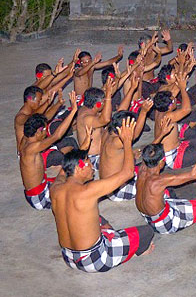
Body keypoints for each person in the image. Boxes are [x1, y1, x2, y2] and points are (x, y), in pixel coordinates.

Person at [51, 118, 155, 272]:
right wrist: (127, 141)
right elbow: (127, 173)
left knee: (98, 219)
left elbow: (64, 170)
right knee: (146, 232)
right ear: (79, 167)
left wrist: (83, 148)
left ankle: (112, 242)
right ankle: (129, 253)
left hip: (68, 257)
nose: (93, 167)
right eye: (89, 163)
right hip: (95, 260)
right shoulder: (89, 190)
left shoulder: (55, 188)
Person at [135, 133, 196, 234]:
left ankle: (181, 209)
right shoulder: (159, 181)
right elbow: (193, 175)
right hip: (165, 224)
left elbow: (149, 152)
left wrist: (161, 133)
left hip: (149, 218)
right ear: (161, 163)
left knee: (168, 191)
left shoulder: (142, 169)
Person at [18, 92, 82, 210]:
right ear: (38, 131)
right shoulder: (31, 148)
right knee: (78, 196)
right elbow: (57, 136)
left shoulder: (26, 138)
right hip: (39, 197)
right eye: (44, 131)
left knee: (73, 179)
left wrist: (57, 104)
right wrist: (73, 111)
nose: (45, 133)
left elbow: (45, 118)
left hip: (41, 187)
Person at [99, 108, 152, 201]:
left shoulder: (108, 131)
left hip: (108, 184)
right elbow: (129, 172)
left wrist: (144, 111)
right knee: (154, 185)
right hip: (116, 190)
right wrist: (143, 112)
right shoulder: (117, 141)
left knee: (146, 168)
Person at [75, 81, 116, 169]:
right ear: (98, 105)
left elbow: (104, 94)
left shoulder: (86, 107)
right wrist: (108, 96)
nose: (105, 103)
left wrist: (109, 88)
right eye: (103, 102)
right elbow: (106, 119)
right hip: (93, 158)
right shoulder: (87, 118)